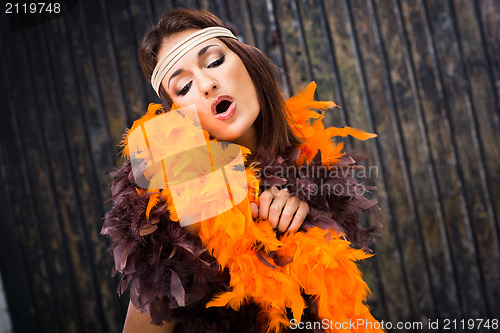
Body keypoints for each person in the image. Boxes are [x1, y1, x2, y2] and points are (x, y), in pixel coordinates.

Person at [102, 8, 382, 333]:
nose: (207, 84)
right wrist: (185, 243)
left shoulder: (312, 168)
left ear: (248, 62)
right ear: (176, 117)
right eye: (184, 86)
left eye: (215, 61)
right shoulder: (177, 209)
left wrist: (305, 222)